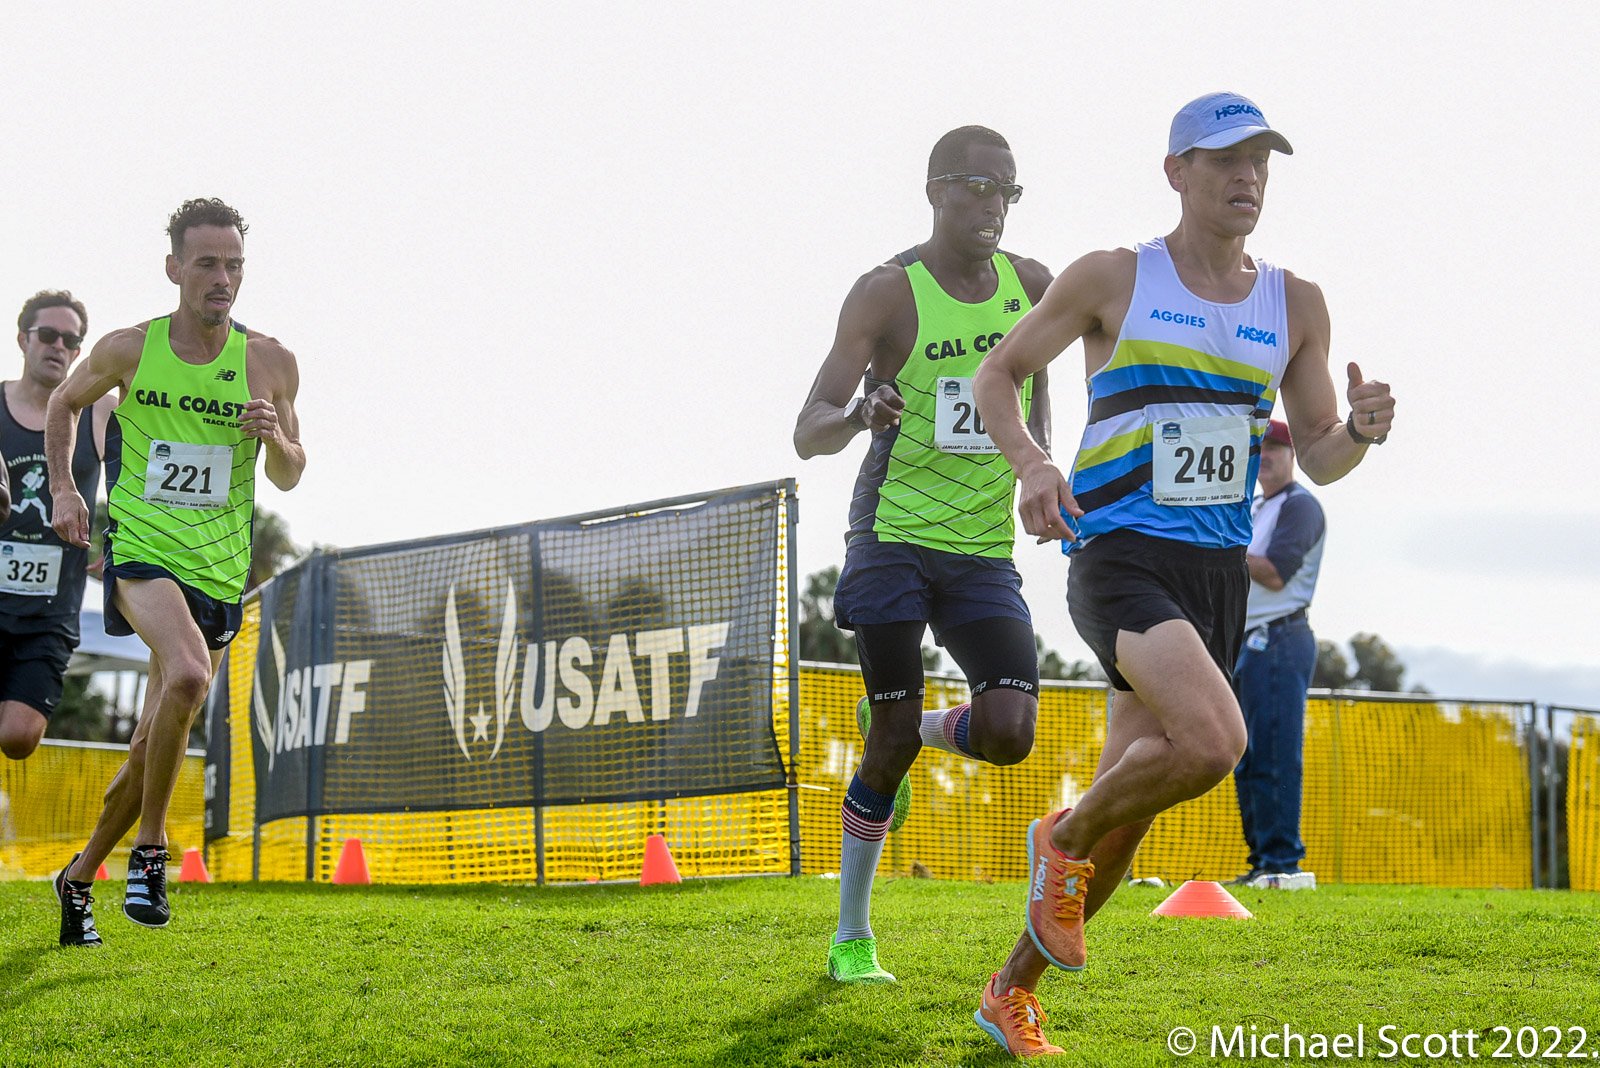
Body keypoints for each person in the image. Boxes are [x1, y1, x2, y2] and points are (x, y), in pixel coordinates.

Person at [970, 92, 1395, 1055]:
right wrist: (1035, 465)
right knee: (1211, 744)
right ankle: (1060, 838)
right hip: (1118, 554)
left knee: (1134, 814)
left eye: (1260, 163)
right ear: (1177, 173)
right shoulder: (1114, 278)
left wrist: (1359, 433)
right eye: (1225, 161)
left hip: (1216, 575)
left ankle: (1010, 990)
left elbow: (1320, 454)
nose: (1247, 178)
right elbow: (997, 376)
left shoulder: (1298, 303)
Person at [793, 126, 1054, 985]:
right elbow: (808, 429)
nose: (993, 206)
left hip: (981, 547)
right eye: (978, 186)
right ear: (936, 189)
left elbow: (1034, 402)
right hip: (893, 534)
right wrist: (862, 413)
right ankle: (852, 936)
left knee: (1012, 733)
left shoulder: (1034, 288)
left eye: (1008, 192)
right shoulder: (885, 293)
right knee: (893, 737)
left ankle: (916, 728)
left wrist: (1037, 474)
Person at [47, 198, 305, 947]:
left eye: (233, 266)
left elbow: (291, 474)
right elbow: (66, 404)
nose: (221, 279)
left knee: (146, 747)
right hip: (141, 550)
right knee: (188, 675)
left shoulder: (271, 361)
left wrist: (276, 441)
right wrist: (67, 489)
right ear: (174, 269)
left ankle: (78, 875)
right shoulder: (132, 348)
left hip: (218, 566)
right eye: (206, 265)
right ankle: (153, 851)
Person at [0, 292, 117, 763]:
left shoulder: (99, 411)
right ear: (23, 339)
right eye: (48, 335)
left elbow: (142, 481)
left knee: (19, 737)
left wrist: (122, 547)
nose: (58, 347)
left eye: (71, 341)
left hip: (50, 614)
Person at [1231, 418, 1324, 890]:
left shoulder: (1300, 507)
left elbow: (1272, 573)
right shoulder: (1258, 507)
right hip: (1248, 641)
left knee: (1275, 751)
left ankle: (1283, 860)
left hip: (1281, 638)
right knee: (1246, 757)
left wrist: (1222, 540)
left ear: (1292, 455)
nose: (1264, 455)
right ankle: (1262, 859)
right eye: (1258, 447)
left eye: (1274, 447)